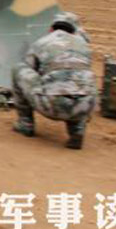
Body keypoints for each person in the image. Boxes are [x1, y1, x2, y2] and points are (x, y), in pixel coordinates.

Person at [11, 12, 97, 149]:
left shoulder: (42, 42)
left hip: (52, 106)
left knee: (18, 69)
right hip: (85, 107)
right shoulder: (83, 45)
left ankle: (25, 124)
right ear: (75, 30)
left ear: (51, 28)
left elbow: (30, 68)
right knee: (79, 83)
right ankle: (77, 130)